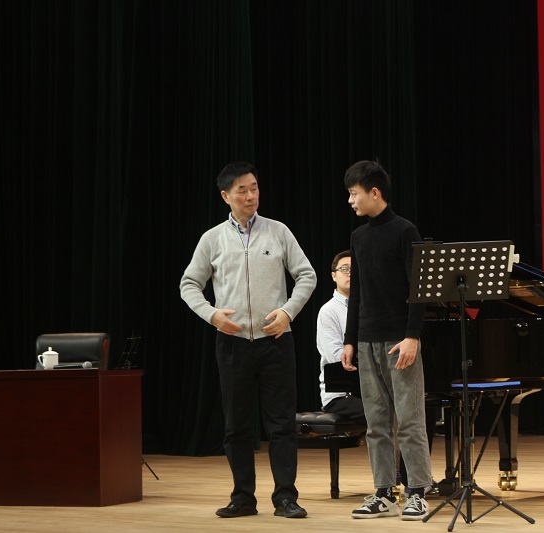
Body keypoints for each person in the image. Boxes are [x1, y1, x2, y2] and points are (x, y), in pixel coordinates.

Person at [180, 161, 317, 519]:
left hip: (276, 341)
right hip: (233, 343)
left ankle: (285, 497)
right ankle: (243, 497)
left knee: (282, 424)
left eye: (254, 187)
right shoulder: (212, 239)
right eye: (242, 190)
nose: (251, 195)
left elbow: (307, 275)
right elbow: (189, 284)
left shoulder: (278, 231)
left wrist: (287, 312)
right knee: (236, 426)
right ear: (226, 196)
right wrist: (212, 315)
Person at [340, 160, 433, 521]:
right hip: (366, 340)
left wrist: (412, 336)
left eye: (354, 193)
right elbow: (358, 293)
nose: (351, 200)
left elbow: (418, 290)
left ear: (374, 192)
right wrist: (350, 339)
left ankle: (417, 491)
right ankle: (383, 492)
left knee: (409, 420)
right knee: (377, 424)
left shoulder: (405, 231)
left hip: (399, 339)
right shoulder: (358, 237)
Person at [317, 250, 366, 425]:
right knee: (381, 412)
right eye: (344, 269)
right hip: (340, 395)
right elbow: (337, 357)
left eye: (354, 270)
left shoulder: (368, 307)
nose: (350, 274)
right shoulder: (328, 311)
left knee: (417, 407)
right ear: (334, 276)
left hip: (369, 389)